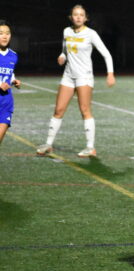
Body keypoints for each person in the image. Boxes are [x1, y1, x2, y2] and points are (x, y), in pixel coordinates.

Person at [36, 5, 115, 157]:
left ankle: (90, 147)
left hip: (84, 77)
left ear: (86, 18)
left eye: (81, 15)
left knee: (85, 110)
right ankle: (48, 144)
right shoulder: (66, 31)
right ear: (71, 17)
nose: (78, 17)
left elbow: (107, 54)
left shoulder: (91, 34)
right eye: (75, 15)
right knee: (58, 110)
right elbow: (65, 51)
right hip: (68, 76)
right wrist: (62, 57)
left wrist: (110, 74)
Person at [0, 20, 20, 145]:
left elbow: (9, 73)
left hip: (6, 103)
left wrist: (13, 80)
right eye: (1, 33)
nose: (5, 36)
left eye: (7, 33)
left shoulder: (13, 55)